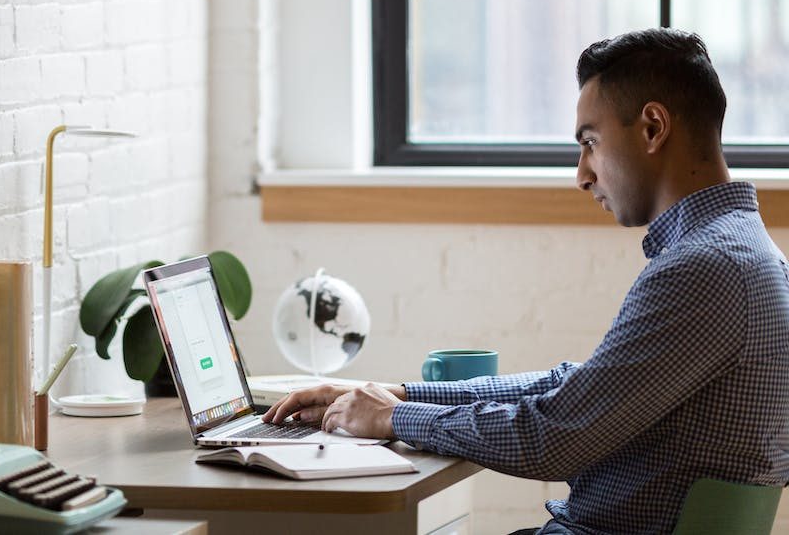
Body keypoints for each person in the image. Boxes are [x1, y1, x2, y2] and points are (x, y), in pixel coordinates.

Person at [263, 28, 789, 535]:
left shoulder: (703, 270)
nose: (582, 174)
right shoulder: (747, 256)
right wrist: (396, 396)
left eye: (590, 142)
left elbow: (554, 436)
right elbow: (573, 389)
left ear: (653, 127)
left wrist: (399, 420)